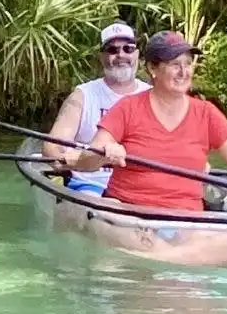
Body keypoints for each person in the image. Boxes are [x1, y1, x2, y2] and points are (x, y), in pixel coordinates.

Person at [87, 31, 227, 213]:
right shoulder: (127, 108)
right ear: (152, 68)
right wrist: (104, 152)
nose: (184, 72)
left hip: (186, 221)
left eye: (188, 63)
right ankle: (174, 252)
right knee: (116, 220)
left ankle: (169, 252)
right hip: (129, 214)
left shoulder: (207, 113)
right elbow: (86, 160)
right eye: (175, 64)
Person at [45, 21, 149, 194]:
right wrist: (65, 159)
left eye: (128, 49)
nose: (121, 55)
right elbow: (52, 147)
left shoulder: (153, 96)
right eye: (112, 50)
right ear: (101, 57)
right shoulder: (82, 95)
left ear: (137, 54)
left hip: (141, 188)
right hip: (91, 186)